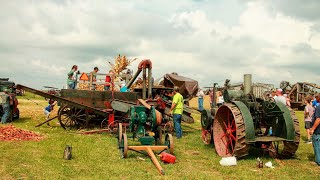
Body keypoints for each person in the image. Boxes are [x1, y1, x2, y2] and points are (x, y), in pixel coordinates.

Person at [310, 93, 320, 166]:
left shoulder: (318, 107)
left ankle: (318, 161)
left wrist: (312, 129)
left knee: (317, 145)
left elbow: (318, 119)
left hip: (318, 131)